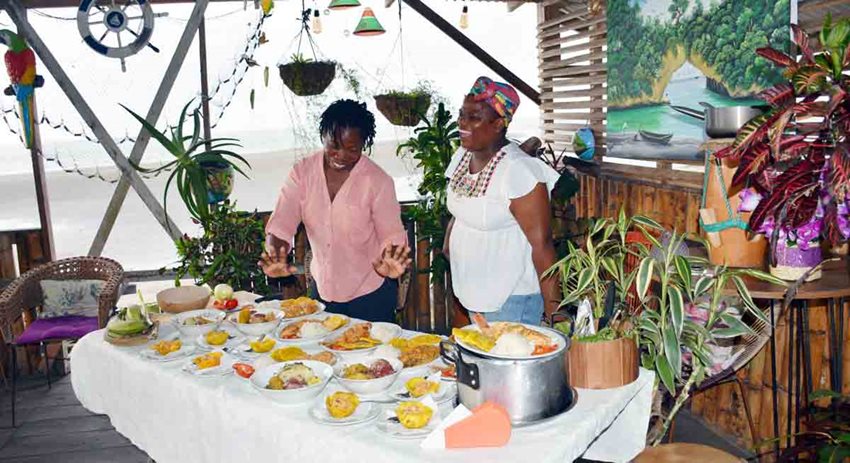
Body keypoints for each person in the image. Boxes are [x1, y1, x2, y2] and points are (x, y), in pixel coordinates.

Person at [259, 99, 412, 323]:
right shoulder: (302, 174)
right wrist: (276, 255)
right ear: (323, 136)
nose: (340, 155)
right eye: (334, 145)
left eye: (352, 149)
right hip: (322, 292)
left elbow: (391, 234)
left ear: (364, 145)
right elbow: (281, 224)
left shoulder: (378, 181)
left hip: (370, 293)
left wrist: (392, 262)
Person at [443, 76, 560, 325]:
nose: (462, 123)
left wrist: (555, 316)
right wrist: (449, 242)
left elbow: (543, 246)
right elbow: (462, 207)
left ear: (498, 124)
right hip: (471, 294)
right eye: (462, 115)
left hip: (511, 301)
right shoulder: (462, 156)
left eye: (474, 118)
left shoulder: (519, 171)